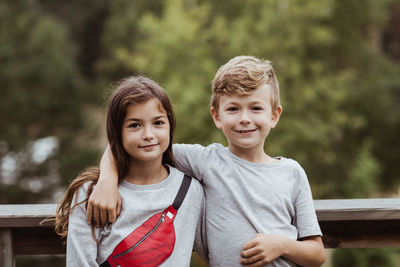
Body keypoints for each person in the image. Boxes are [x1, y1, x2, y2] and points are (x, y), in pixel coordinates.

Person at [88, 56, 326, 266]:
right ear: (216, 116)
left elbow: (317, 254)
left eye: (255, 108)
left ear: (274, 115)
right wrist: (107, 180)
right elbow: (134, 144)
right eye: (233, 109)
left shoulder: (292, 173)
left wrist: (282, 245)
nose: (244, 118)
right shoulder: (206, 161)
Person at [55, 76, 206, 266]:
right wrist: (107, 180)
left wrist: (257, 237)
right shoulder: (90, 194)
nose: (149, 135)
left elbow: (218, 248)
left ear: (170, 126)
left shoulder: (192, 191)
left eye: (158, 123)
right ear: (117, 133)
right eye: (135, 125)